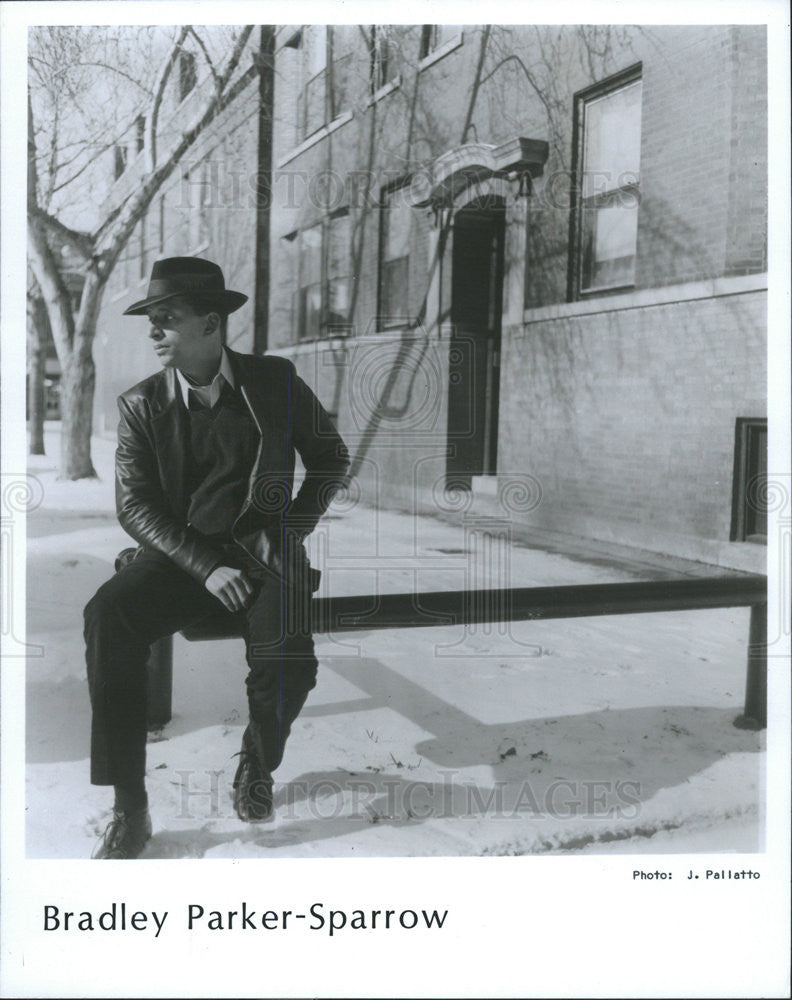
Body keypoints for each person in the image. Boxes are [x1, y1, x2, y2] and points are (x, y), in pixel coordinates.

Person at [84, 256, 349, 859]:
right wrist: (205, 565)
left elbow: (330, 459)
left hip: (265, 553)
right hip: (182, 556)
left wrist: (290, 532)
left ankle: (256, 765)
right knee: (109, 615)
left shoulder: (275, 382)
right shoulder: (141, 405)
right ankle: (131, 806)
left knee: (286, 657)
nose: (154, 332)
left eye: (166, 319)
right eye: (150, 319)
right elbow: (137, 507)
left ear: (210, 323)